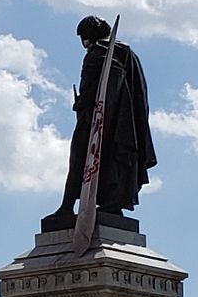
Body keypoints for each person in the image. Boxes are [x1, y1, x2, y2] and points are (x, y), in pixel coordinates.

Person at [45, 16, 155, 222]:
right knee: (114, 160)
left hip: (95, 121)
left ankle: (67, 206)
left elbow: (92, 91)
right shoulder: (128, 55)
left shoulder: (97, 53)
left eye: (84, 38)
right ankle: (112, 203)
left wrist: (80, 105)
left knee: (79, 158)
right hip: (123, 125)